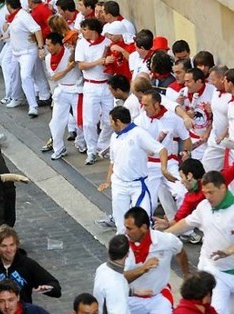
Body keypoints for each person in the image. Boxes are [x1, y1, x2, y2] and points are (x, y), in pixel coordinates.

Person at [164, 171, 234, 314]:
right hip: (216, 272)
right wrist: (163, 235)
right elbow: (188, 223)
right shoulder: (204, 207)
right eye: (204, 192)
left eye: (211, 192)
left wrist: (230, 250)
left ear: (223, 188)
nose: (207, 196)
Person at [97, 106, 175, 233]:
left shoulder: (139, 133)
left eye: (111, 121)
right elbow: (113, 161)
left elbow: (161, 149)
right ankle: (125, 250)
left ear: (118, 121)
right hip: (119, 184)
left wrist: (164, 169)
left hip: (138, 186)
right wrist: (108, 181)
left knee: (142, 222)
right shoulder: (114, 137)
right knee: (121, 225)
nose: (110, 124)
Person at [123, 207, 189, 314]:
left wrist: (186, 274)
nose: (126, 232)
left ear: (143, 228)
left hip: (159, 296)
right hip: (131, 299)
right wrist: (143, 269)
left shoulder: (166, 240)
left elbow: (180, 251)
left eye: (129, 229)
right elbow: (119, 279)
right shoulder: (121, 246)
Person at [136, 89, 191, 221]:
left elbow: (186, 138)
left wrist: (186, 152)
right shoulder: (139, 121)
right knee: (149, 203)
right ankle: (145, 231)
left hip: (171, 163)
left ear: (156, 104)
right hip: (149, 165)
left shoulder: (173, 118)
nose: (143, 108)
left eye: (146, 105)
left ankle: (184, 229)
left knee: (182, 192)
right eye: (142, 104)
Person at [74, 17, 114, 165]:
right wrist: (99, 61)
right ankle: (91, 151)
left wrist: (110, 61)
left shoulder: (107, 43)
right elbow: (81, 66)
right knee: (89, 122)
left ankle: (101, 145)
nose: (83, 32)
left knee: (109, 121)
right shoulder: (81, 44)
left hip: (107, 85)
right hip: (90, 85)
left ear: (93, 30)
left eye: (85, 29)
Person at [44, 31, 85, 160]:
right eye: (46, 45)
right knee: (55, 122)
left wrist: (75, 46)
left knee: (80, 121)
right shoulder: (48, 58)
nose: (48, 48)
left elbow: (75, 59)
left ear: (57, 44)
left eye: (50, 45)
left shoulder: (70, 52)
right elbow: (55, 77)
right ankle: (59, 148)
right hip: (62, 90)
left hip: (76, 90)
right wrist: (68, 68)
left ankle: (82, 143)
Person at [4, 0, 48, 119]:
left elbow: (37, 29)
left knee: (25, 76)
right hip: (16, 52)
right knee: (13, 74)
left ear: (8, 6)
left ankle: (33, 106)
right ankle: (16, 97)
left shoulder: (23, 16)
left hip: (27, 52)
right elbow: (7, 31)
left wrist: (40, 48)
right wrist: (6, 24)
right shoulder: (13, 17)